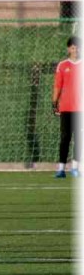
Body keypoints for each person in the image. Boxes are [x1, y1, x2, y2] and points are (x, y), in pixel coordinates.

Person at [52, 36, 80, 178]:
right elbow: (57, 85)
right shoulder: (62, 65)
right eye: (73, 48)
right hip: (66, 108)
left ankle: (75, 168)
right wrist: (54, 103)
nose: (76, 50)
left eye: (78, 47)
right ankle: (61, 169)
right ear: (69, 49)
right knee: (65, 137)